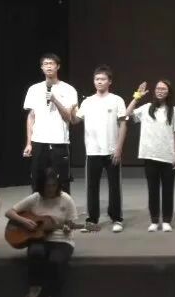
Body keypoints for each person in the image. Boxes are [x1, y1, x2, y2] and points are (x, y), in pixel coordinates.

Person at [71, 64, 127, 233]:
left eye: (103, 79)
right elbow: (75, 120)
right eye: (97, 79)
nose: (99, 82)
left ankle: (116, 219)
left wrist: (119, 148)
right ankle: (92, 220)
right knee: (92, 187)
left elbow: (123, 124)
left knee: (114, 186)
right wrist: (71, 110)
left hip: (111, 150)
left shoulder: (117, 100)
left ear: (110, 81)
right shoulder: (87, 102)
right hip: (93, 151)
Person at [6, 168, 78, 297]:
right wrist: (24, 221)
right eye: (47, 186)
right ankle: (34, 288)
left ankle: (53, 293)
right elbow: (9, 212)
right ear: (41, 185)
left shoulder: (66, 199)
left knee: (55, 261)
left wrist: (68, 228)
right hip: (39, 238)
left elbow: (70, 223)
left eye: (53, 185)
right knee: (35, 252)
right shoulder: (35, 198)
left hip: (61, 239)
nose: (51, 189)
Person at [126, 80, 175, 232]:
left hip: (167, 156)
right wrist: (137, 97)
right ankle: (154, 220)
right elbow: (127, 113)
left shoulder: (174, 111)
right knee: (153, 190)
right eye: (158, 88)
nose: (160, 91)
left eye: (163, 89)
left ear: (169, 92)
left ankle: (167, 220)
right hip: (150, 155)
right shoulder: (146, 108)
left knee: (168, 190)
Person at [23, 53, 78, 193]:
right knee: (37, 180)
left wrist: (54, 100)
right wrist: (29, 143)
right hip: (38, 141)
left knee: (62, 181)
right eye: (45, 64)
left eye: (51, 63)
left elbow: (68, 117)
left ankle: (63, 206)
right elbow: (31, 117)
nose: (48, 66)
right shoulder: (33, 89)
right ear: (41, 68)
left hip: (59, 141)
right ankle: (38, 205)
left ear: (57, 66)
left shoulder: (69, 89)